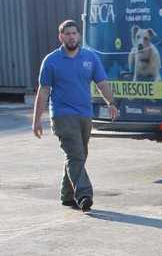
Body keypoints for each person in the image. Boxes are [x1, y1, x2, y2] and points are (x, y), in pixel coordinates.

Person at [32, 20, 118, 213]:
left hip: (84, 114)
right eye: (67, 34)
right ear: (60, 37)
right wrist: (36, 119)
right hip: (62, 115)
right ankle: (84, 195)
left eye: (74, 33)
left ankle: (67, 194)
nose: (71, 37)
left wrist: (111, 103)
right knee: (76, 154)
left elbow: (102, 83)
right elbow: (44, 91)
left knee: (78, 156)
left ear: (79, 36)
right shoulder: (51, 61)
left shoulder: (90, 57)